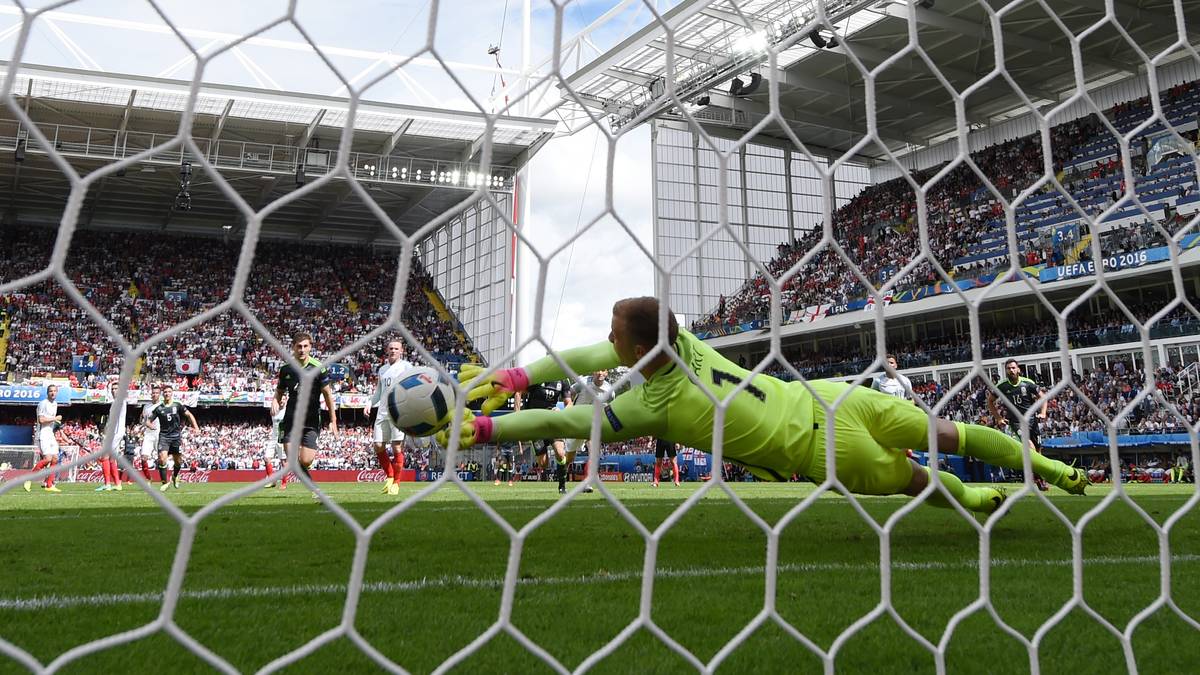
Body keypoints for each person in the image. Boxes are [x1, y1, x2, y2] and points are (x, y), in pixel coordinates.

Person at [441, 297, 1089, 515]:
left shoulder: (651, 408)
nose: (607, 346)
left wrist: (488, 423)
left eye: (617, 337)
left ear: (639, 348)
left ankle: (978, 498)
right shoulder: (682, 341)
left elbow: (564, 418)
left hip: (824, 448)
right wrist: (517, 374)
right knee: (954, 433)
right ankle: (1051, 469)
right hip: (832, 402)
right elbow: (585, 358)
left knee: (922, 479)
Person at [273, 332, 338, 496]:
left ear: (310, 347)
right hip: (290, 421)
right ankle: (316, 491)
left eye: (305, 346)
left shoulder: (318, 368)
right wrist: (275, 402)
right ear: (293, 347)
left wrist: (333, 420)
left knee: (306, 460)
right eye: (299, 346)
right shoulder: (286, 370)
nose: (302, 349)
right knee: (293, 462)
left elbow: (328, 395)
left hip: (311, 421)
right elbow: (279, 392)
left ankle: (304, 470)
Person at [988, 358, 1051, 492]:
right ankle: (1039, 478)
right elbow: (990, 401)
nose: (1011, 370)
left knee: (1038, 451)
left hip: (1032, 421)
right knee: (1031, 448)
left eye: (1013, 368)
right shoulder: (1002, 386)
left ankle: (1038, 478)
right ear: (1005, 371)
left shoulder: (1028, 383)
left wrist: (1043, 413)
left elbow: (1043, 398)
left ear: (1018, 369)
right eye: (1008, 368)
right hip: (1016, 422)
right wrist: (998, 418)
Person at [363, 340, 412, 496]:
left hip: (398, 412)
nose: (393, 350)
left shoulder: (407, 367)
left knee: (397, 447)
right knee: (378, 445)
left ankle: (396, 483)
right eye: (391, 348)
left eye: (396, 348)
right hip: (382, 411)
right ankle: (390, 476)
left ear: (401, 351)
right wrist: (369, 403)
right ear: (387, 350)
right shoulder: (383, 369)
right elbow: (379, 391)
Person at [147, 384, 199, 491]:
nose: (167, 394)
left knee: (178, 462)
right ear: (163, 394)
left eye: (169, 392)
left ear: (172, 393)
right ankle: (165, 482)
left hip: (176, 437)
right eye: (165, 392)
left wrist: (196, 427)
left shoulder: (177, 405)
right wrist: (150, 425)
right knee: (162, 459)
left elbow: (189, 415)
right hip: (164, 436)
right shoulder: (159, 408)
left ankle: (175, 476)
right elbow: (148, 421)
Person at [24, 384, 63, 493]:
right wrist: (55, 418)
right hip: (43, 433)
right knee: (48, 459)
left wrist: (57, 424)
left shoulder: (55, 404)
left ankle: (49, 485)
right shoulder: (43, 403)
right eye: (51, 391)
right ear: (47, 392)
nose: (53, 393)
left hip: (50, 433)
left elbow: (50, 421)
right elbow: (41, 420)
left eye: (55, 391)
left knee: (55, 458)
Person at [95, 380, 127, 492]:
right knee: (112, 459)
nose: (114, 391)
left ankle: (107, 484)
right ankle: (118, 483)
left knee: (105, 457)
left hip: (116, 433)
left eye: (116, 389)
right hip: (115, 433)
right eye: (112, 389)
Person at [139, 383, 163, 481]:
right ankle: (149, 479)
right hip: (148, 435)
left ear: (159, 394)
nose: (154, 394)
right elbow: (142, 418)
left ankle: (165, 478)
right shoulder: (146, 406)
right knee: (144, 457)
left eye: (157, 393)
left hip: (159, 434)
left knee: (162, 459)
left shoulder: (163, 405)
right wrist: (144, 423)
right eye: (153, 393)